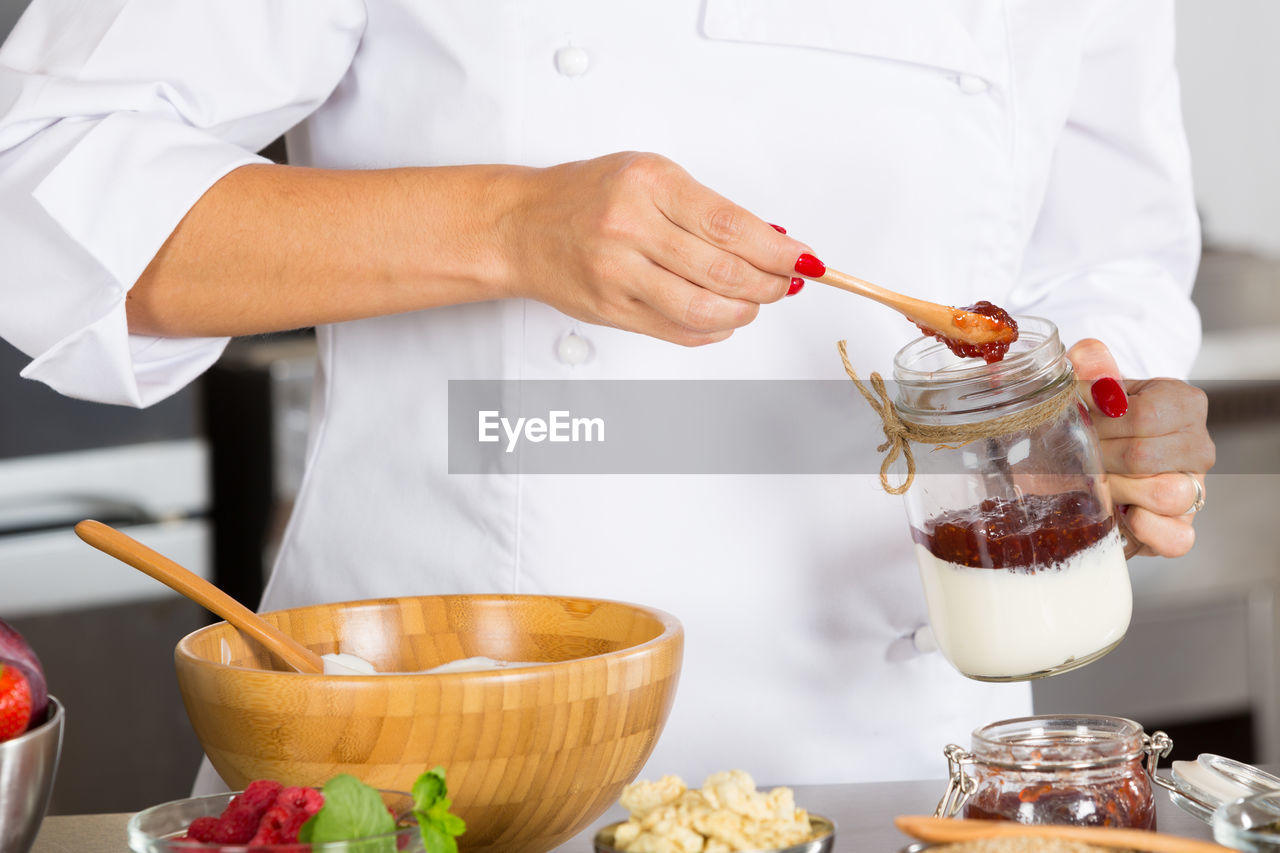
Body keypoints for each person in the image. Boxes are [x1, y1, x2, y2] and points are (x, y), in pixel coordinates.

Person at [0, 0, 1213, 786]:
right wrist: (510, 224)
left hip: (909, 759)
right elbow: (38, 196)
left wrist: (1109, 409)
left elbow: (1100, 259)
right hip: (435, 750)